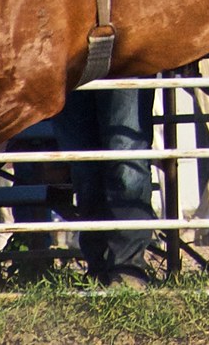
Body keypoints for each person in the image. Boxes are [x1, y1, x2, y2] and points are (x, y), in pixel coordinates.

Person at [49, 88, 156, 288]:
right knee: (85, 166)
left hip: (120, 64)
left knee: (125, 157)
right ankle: (101, 266)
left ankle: (126, 268)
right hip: (71, 66)